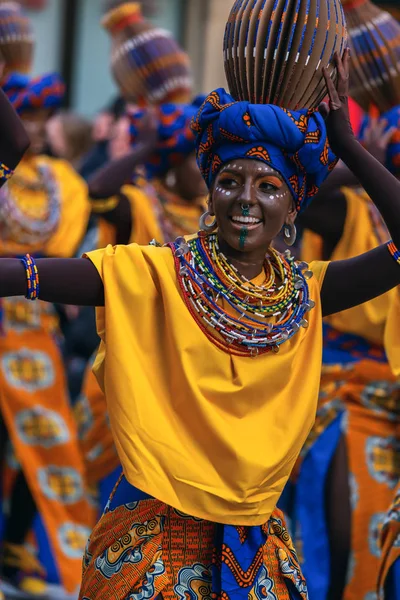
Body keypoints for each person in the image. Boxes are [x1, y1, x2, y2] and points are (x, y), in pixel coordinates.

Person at [0, 46, 399, 599]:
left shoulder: (307, 292)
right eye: (231, 180)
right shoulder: (153, 274)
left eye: (268, 187)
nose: (246, 199)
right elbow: (23, 273)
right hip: (149, 550)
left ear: (292, 207)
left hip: (253, 550)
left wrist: (348, 143)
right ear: (212, 193)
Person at [0, 69, 96, 598]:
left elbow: (64, 246)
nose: (32, 127)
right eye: (23, 113)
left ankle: (15, 550)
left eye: (41, 116)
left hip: (33, 324)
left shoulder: (61, 182)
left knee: (45, 438)